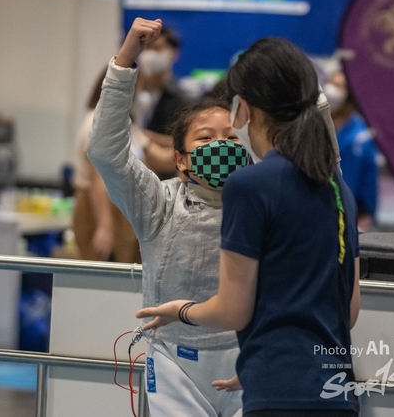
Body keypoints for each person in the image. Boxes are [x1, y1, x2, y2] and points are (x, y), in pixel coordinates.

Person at [137, 37, 361, 417]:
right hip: (335, 391)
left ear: (244, 107)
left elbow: (233, 311)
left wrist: (182, 310)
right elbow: (349, 310)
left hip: (276, 390)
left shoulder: (250, 186)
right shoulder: (337, 188)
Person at [88, 18, 246, 417]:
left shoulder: (262, 204)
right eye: (206, 138)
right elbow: (106, 151)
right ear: (180, 159)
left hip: (247, 356)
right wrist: (125, 61)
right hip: (176, 361)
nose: (221, 146)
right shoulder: (158, 203)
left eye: (231, 137)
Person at [72, 71, 145, 263]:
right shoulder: (97, 122)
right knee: (101, 270)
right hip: (99, 207)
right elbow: (97, 176)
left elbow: (151, 150)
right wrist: (105, 225)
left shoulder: (122, 122)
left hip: (121, 207)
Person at [131, 24, 192, 180]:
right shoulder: (130, 92)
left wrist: (147, 137)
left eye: (157, 48)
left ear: (173, 53)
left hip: (164, 177)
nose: (150, 54)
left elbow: (186, 141)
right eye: (147, 48)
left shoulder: (182, 99)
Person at [325, 70, 378, 231]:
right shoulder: (316, 126)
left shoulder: (361, 135)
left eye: (339, 86)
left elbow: (369, 179)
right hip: (320, 209)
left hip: (352, 213)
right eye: (332, 84)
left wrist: (365, 212)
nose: (332, 91)